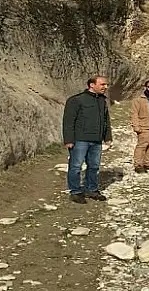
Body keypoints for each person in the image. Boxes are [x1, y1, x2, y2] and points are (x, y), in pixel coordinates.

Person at [62, 75, 112, 204]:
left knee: (94, 166)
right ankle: (75, 192)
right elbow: (68, 121)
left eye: (106, 85)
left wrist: (107, 137)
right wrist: (68, 140)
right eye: (102, 84)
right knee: (76, 166)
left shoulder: (102, 101)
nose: (105, 87)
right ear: (91, 85)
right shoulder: (76, 100)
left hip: (96, 140)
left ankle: (92, 190)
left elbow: (106, 121)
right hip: (80, 140)